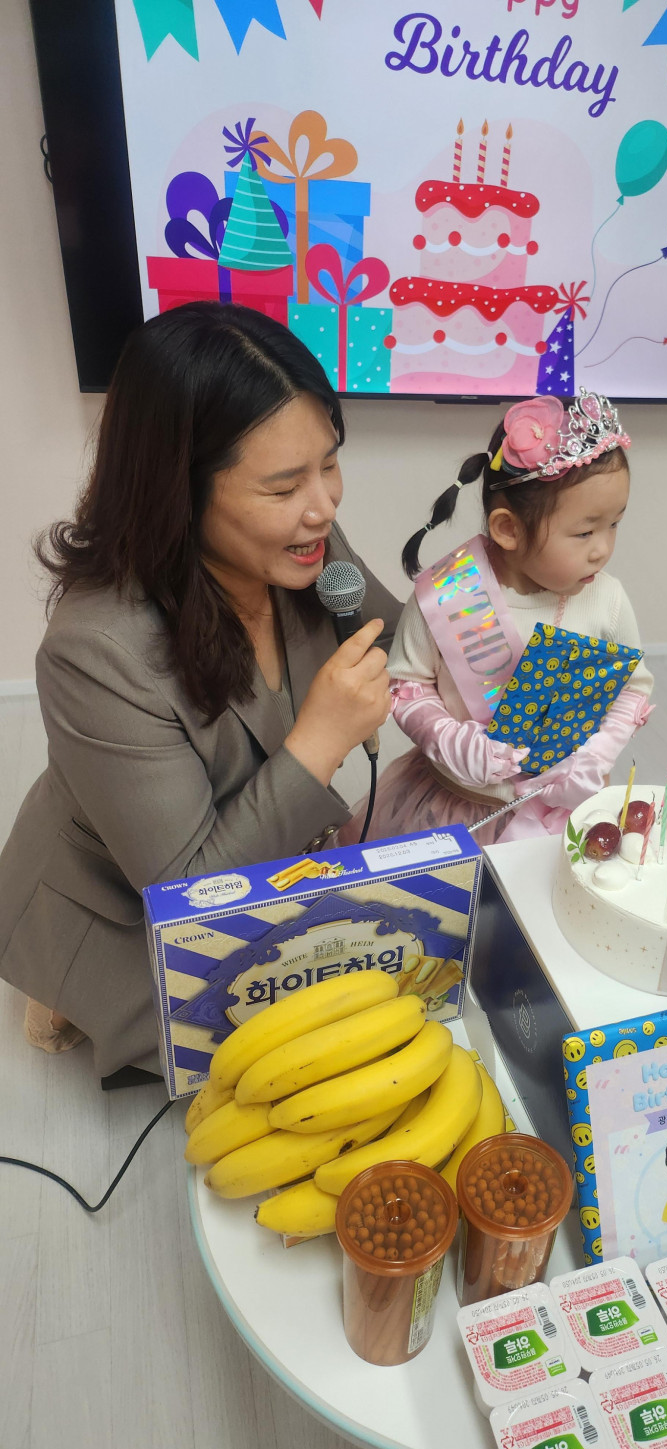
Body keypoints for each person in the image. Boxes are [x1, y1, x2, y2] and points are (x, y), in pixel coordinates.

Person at [0, 303, 399, 1086]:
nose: (324, 504)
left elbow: (394, 637)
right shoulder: (95, 650)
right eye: (283, 485)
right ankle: (59, 992)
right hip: (128, 913)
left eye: (329, 463)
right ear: (179, 492)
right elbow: (189, 892)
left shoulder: (305, 542)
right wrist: (320, 741)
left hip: (268, 858)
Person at [368, 391, 653, 845]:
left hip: (558, 811)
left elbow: (631, 688)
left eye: (614, 524)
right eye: (584, 531)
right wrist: (448, 738)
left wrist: (598, 754)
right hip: (454, 805)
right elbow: (407, 686)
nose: (602, 549)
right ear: (508, 529)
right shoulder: (447, 593)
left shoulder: (608, 599)